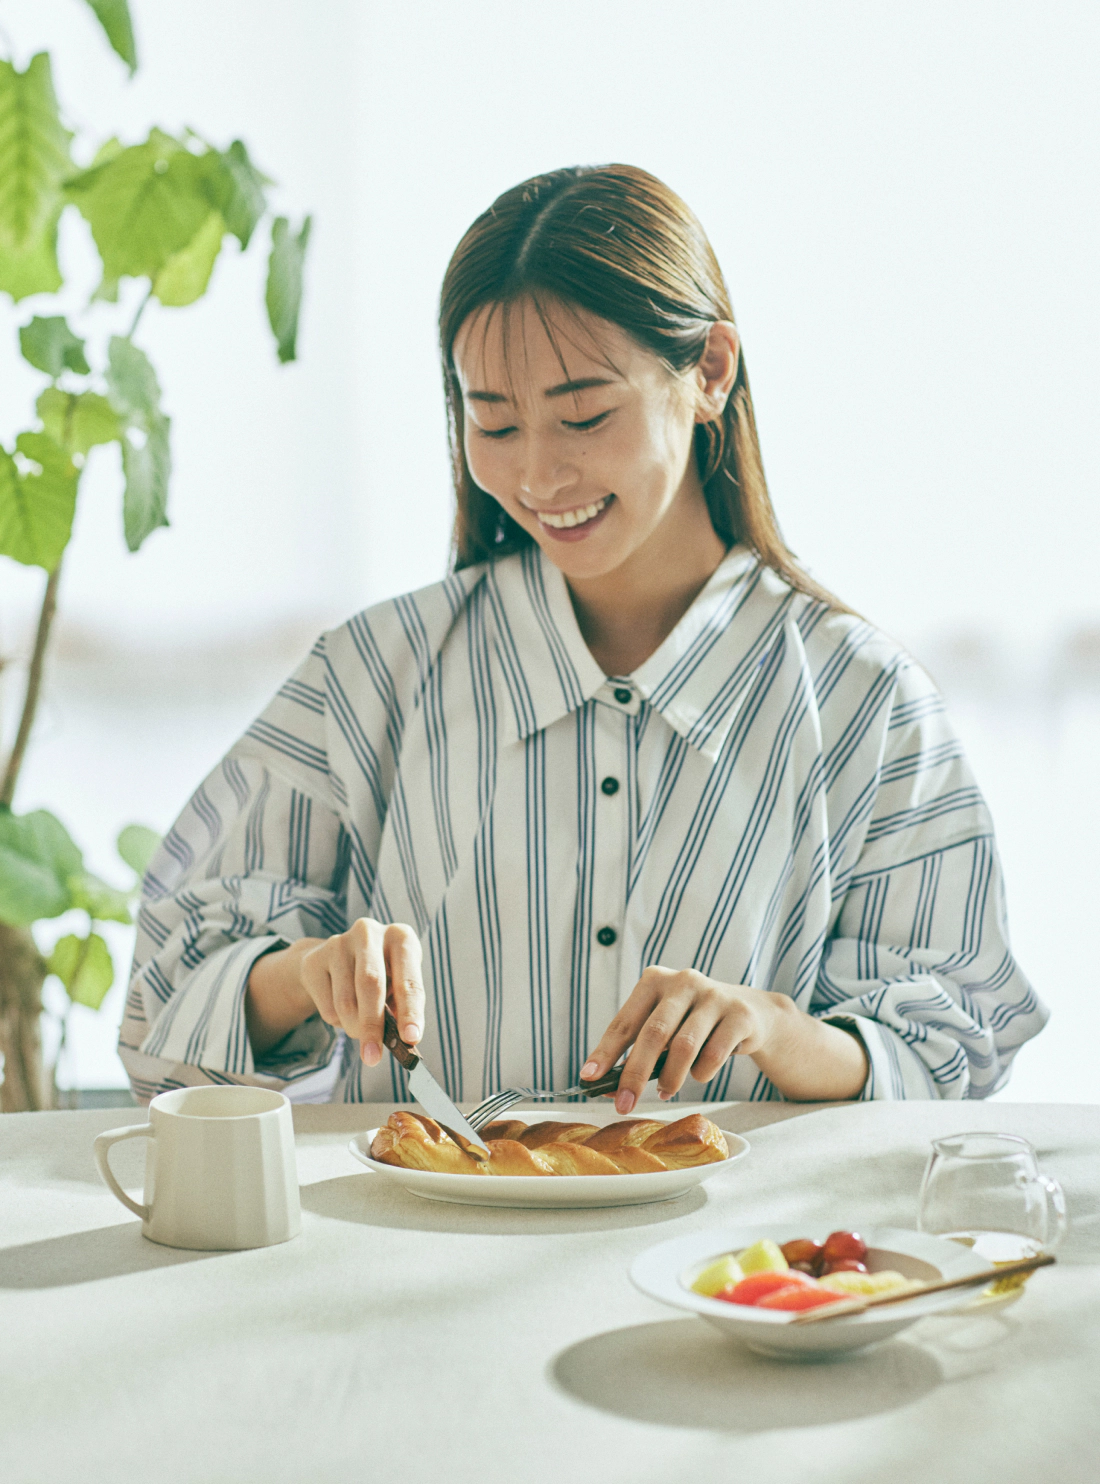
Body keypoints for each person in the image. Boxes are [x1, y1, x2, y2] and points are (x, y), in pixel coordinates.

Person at [120, 164, 1047, 1111]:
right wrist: (306, 972)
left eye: (584, 416)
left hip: (726, 1259)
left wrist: (775, 1029)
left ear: (710, 372)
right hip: (419, 1253)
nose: (538, 475)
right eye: (493, 422)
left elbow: (954, 1052)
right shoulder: (370, 676)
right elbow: (158, 1023)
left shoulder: (869, 706)